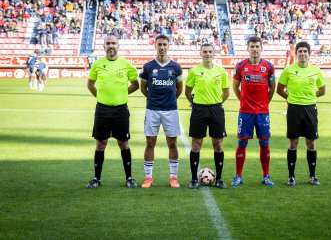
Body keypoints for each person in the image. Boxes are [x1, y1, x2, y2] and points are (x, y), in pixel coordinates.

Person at [85, 34, 140, 189]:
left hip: (121, 110)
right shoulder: (97, 64)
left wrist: (122, 94)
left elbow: (135, 85)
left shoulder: (126, 64)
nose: (111, 46)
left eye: (113, 43)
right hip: (102, 110)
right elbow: (90, 85)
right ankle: (97, 178)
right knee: (100, 143)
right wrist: (100, 97)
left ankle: (129, 178)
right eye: (108, 43)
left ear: (118, 46)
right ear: (104, 46)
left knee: (123, 143)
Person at [276, 41, 326, 186]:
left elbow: (322, 91)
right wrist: (291, 98)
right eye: (300, 51)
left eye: (305, 51)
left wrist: (310, 98)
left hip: (310, 109)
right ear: (296, 54)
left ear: (309, 54)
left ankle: (312, 176)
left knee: (310, 142)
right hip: (293, 109)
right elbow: (279, 89)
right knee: (293, 142)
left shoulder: (316, 71)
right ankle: (291, 177)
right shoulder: (288, 70)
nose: (302, 54)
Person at [231, 35, 276, 187]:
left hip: (263, 113)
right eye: (252, 46)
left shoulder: (268, 66)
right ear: (248, 48)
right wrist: (243, 101)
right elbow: (235, 87)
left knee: (264, 142)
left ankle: (266, 175)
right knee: (242, 142)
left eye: (257, 47)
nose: (255, 49)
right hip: (245, 112)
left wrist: (264, 103)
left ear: (261, 48)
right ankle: (238, 175)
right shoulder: (240, 66)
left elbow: (272, 88)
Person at [139, 35, 183, 188]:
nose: (162, 47)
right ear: (155, 46)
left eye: (165, 44)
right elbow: (143, 88)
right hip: (152, 110)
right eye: (160, 44)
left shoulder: (175, 67)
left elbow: (179, 89)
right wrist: (153, 99)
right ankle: (148, 177)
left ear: (168, 46)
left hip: (171, 110)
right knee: (150, 142)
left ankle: (173, 177)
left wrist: (170, 99)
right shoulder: (148, 67)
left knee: (172, 142)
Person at [185, 43, 230, 189]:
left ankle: (220, 179)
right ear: (200, 53)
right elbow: (187, 91)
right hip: (199, 110)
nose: (207, 54)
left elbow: (226, 92)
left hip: (216, 110)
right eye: (205, 51)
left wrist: (216, 103)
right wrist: (195, 104)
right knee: (196, 144)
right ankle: (193, 179)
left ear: (214, 53)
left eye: (210, 51)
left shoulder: (221, 71)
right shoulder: (194, 71)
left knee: (218, 144)